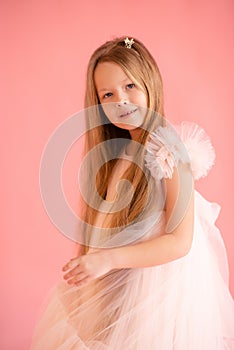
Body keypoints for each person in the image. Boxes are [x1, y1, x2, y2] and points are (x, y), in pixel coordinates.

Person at [31, 36, 234, 349]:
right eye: (108, 94)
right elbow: (103, 230)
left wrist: (109, 259)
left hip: (152, 304)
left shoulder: (169, 149)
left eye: (130, 87)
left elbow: (180, 242)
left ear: (149, 82)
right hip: (115, 295)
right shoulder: (118, 155)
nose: (121, 101)